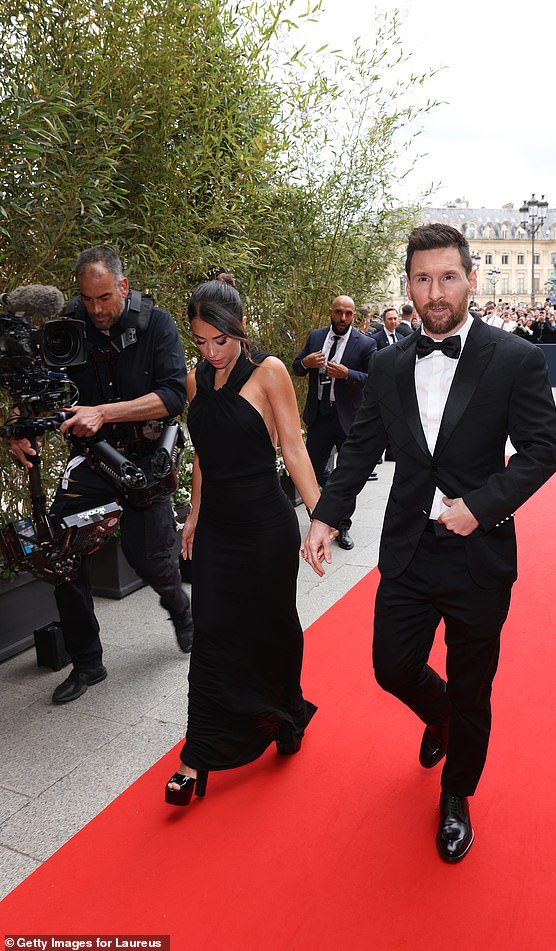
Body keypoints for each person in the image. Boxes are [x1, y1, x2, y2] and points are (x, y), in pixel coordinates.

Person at [302, 224, 556, 863]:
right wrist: (324, 517)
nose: (436, 291)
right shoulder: (388, 362)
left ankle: (456, 794)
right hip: (409, 550)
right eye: (423, 278)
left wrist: (482, 506)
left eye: (448, 277)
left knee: (475, 684)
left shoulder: (514, 357)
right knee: (390, 665)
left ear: (470, 279)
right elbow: (361, 448)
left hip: (479, 553)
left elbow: (542, 452)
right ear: (409, 284)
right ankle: (439, 715)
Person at [8, 247, 193, 704]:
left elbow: (173, 396)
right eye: (89, 300)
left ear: (123, 287)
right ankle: (88, 663)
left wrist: (103, 413)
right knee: (62, 559)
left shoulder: (158, 325)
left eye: (105, 298)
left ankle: (181, 611)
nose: (97, 310)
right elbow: (38, 386)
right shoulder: (66, 326)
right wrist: (18, 425)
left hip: (144, 462)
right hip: (90, 463)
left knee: (152, 561)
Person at [165, 277, 321, 806]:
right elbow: (203, 455)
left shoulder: (270, 372)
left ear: (240, 329)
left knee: (271, 628)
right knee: (211, 634)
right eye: (201, 342)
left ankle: (286, 714)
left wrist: (323, 519)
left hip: (265, 531)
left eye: (220, 341)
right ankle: (199, 754)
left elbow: (295, 451)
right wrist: (192, 516)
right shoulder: (194, 382)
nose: (210, 352)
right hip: (218, 533)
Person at [292, 295, 377, 551]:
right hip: (319, 415)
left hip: (348, 417)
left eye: (348, 313)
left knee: (348, 474)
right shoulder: (316, 336)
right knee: (311, 469)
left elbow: (375, 377)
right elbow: (297, 367)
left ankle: (343, 525)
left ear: (354, 316)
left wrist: (348, 374)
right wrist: (305, 363)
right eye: (338, 312)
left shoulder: (365, 343)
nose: (342, 318)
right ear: (331, 312)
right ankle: (331, 501)